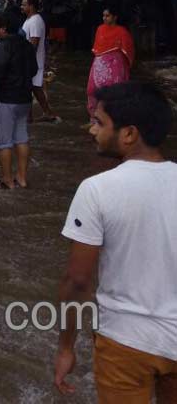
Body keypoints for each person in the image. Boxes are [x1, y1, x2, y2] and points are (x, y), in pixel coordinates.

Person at [54, 82, 177, 402]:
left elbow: (78, 280)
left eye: (99, 122)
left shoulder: (97, 189)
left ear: (129, 133)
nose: (91, 129)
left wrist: (66, 347)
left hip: (124, 343)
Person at [0, 14, 38, 189]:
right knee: (22, 137)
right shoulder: (27, 46)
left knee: (4, 141)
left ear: (3, 28)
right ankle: (22, 178)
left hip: (7, 99)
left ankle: (7, 179)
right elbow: (33, 70)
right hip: (25, 98)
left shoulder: (2, 48)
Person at [87, 6, 134, 120]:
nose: (104, 18)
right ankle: (95, 119)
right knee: (92, 90)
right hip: (98, 66)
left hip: (115, 67)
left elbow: (129, 51)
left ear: (115, 17)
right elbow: (97, 49)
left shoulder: (122, 32)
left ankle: (113, 120)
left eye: (107, 16)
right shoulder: (100, 29)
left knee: (113, 93)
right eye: (103, 15)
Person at [21, 0, 59, 122]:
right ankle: (43, 114)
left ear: (31, 6)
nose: (22, 7)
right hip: (31, 61)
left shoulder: (35, 21)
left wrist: (26, 61)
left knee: (31, 88)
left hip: (32, 61)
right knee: (34, 88)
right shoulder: (30, 19)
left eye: (24, 4)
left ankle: (33, 116)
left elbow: (34, 43)